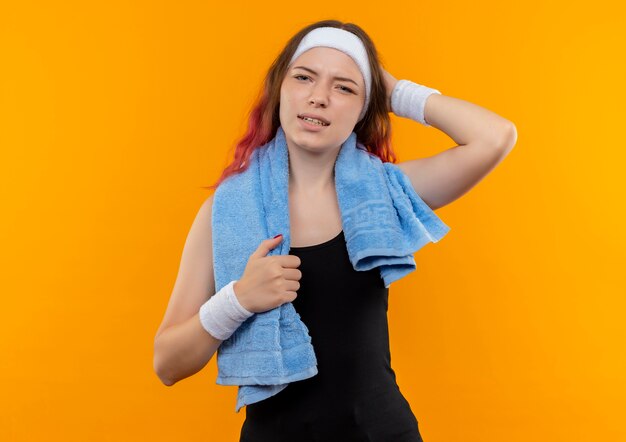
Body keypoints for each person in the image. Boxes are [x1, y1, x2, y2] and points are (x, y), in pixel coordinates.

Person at [153, 19, 517, 442]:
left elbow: (494, 137)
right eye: (304, 77)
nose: (319, 97)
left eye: (344, 87)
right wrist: (237, 300)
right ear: (279, 90)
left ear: (364, 109)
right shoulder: (224, 211)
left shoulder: (385, 194)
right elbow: (168, 364)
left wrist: (395, 91)